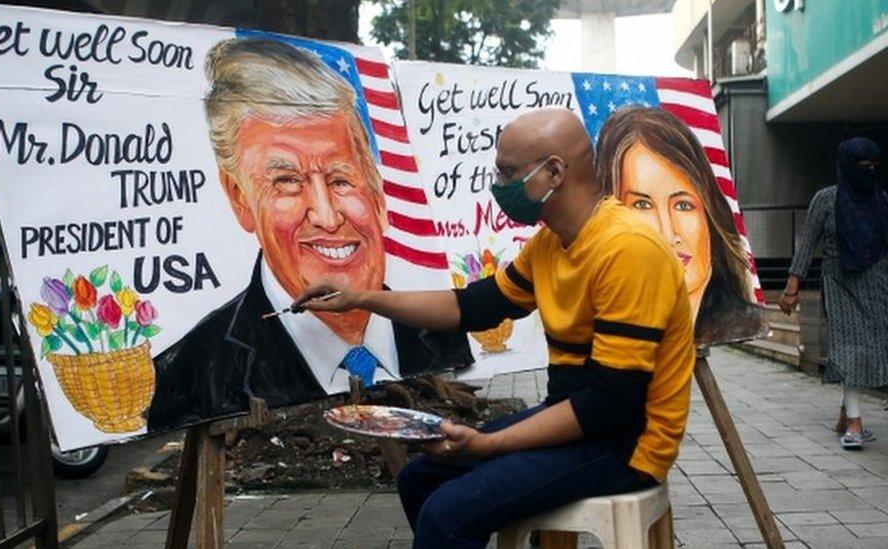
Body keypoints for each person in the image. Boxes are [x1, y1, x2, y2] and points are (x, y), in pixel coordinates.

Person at [293, 108, 696, 548]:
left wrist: (492, 444)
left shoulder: (627, 250)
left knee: (449, 513)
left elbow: (610, 404)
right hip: (581, 419)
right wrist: (362, 297)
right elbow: (472, 307)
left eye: (507, 173)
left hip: (627, 441)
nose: (498, 186)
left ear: (555, 172)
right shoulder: (550, 245)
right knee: (420, 478)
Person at [146, 38, 471, 432]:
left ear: (375, 190)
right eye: (286, 182)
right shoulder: (187, 377)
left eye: (341, 179)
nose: (327, 216)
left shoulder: (445, 335)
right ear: (239, 199)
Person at [596, 106, 766, 344]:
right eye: (642, 205)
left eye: (683, 205)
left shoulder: (746, 320)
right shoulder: (597, 324)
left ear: (709, 214)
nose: (668, 233)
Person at [780, 137, 888, 450]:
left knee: (870, 349)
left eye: (873, 166)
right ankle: (854, 425)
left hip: (878, 284)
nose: (867, 172)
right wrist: (791, 287)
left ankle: (846, 412)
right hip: (839, 282)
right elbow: (808, 242)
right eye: (861, 165)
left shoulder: (881, 201)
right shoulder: (826, 200)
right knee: (850, 348)